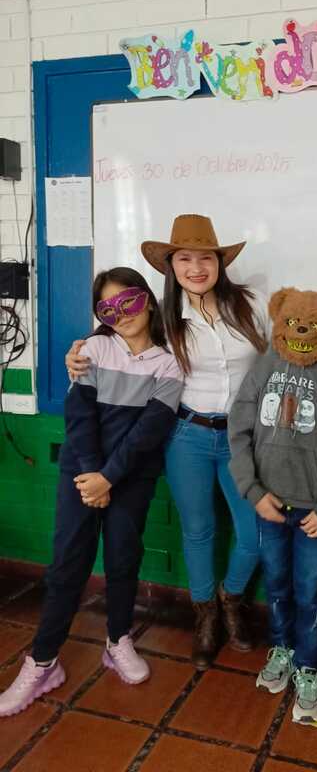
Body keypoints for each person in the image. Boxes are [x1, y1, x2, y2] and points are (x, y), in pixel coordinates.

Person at [67, 215, 269, 668]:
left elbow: (276, 358)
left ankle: (231, 599)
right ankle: (206, 615)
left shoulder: (251, 305)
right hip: (186, 435)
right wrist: (77, 350)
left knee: (254, 534)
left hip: (241, 438)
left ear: (219, 262)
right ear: (171, 266)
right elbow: (117, 332)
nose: (196, 268)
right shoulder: (162, 317)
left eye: (205, 258)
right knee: (198, 531)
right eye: (184, 259)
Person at [0, 268, 183, 717]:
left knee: (123, 559)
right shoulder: (92, 350)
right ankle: (43, 662)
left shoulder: (169, 362)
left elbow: (149, 432)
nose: (121, 314)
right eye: (108, 308)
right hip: (81, 476)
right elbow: (79, 417)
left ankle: (117, 640)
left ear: (149, 300)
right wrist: (91, 476)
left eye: (129, 301)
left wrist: (109, 478)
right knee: (68, 564)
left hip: (130, 478)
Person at [228, 286, 317, 723]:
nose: (302, 331)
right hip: (269, 506)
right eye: (294, 323)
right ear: (280, 320)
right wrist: (252, 491)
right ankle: (281, 648)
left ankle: (309, 666)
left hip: (316, 513)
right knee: (277, 583)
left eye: (314, 325)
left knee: (311, 590)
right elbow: (239, 431)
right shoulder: (263, 367)